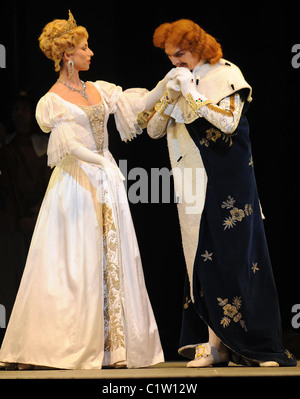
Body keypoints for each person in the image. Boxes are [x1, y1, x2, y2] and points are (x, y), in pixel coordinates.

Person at [0, 10, 170, 370]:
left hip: (105, 177)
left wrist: (165, 84)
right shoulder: (53, 101)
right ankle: (49, 347)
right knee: (72, 261)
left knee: (114, 256)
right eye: (84, 47)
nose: (90, 52)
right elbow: (67, 145)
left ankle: (115, 349)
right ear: (67, 55)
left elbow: (135, 104)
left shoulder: (98, 89)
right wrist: (100, 162)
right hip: (76, 182)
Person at [147, 19, 297, 367]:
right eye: (169, 56)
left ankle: (258, 346)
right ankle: (215, 346)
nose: (174, 62)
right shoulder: (180, 78)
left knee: (236, 261)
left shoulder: (225, 74)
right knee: (203, 261)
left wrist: (192, 94)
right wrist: (171, 94)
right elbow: (154, 129)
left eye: (179, 54)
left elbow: (229, 122)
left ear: (197, 47)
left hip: (229, 182)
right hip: (193, 181)